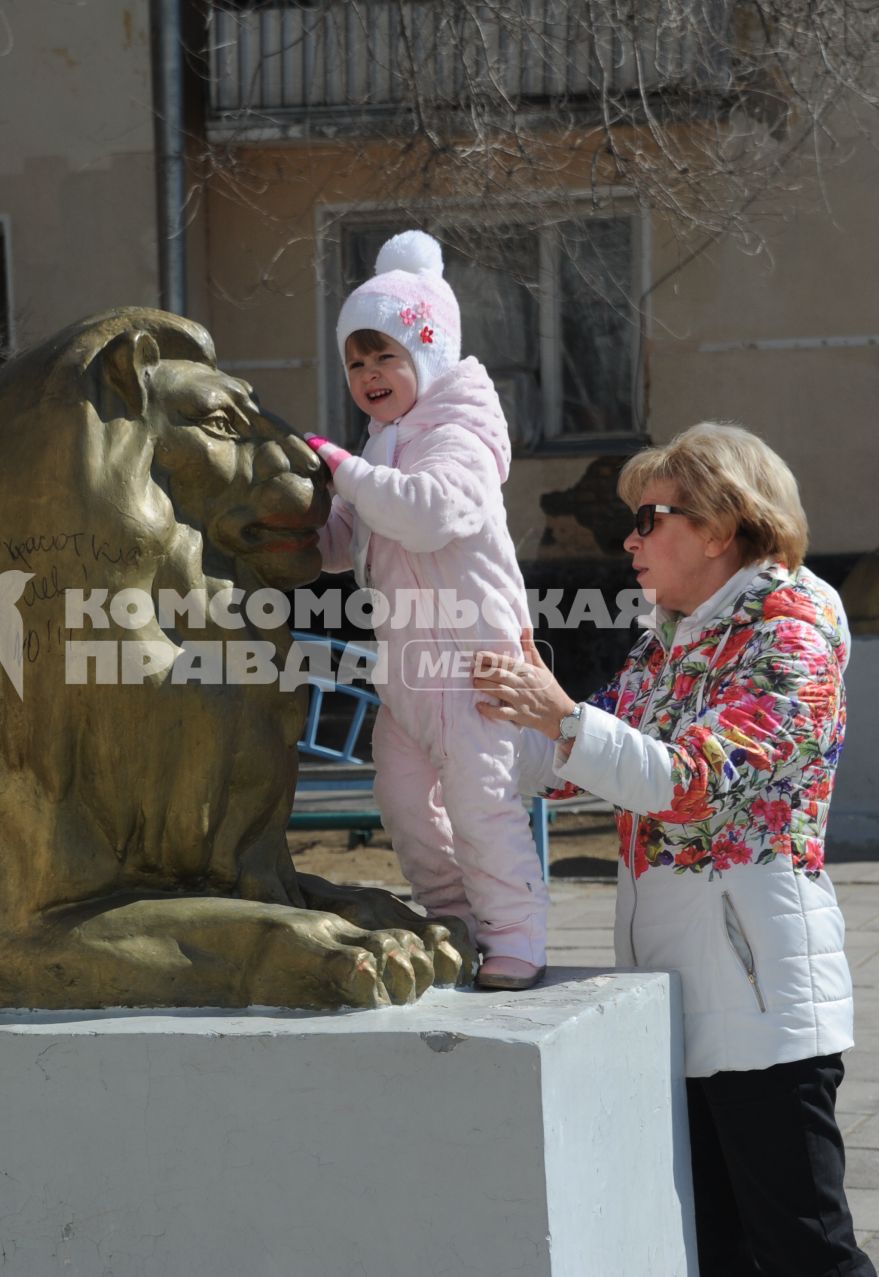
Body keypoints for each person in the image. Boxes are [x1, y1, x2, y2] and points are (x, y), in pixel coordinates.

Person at [472, 422, 875, 1276]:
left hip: (765, 1009)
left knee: (806, 1256)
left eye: (650, 517)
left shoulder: (791, 635)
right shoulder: (673, 639)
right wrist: (471, 720)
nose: (629, 539)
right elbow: (579, 761)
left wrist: (564, 719)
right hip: (679, 998)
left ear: (723, 524)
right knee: (717, 1254)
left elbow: (691, 780)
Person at [301, 230, 547, 992]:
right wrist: (304, 522)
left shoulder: (461, 437)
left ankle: (517, 934)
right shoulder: (379, 445)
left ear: (429, 359)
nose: (370, 374)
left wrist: (343, 471)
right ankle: (455, 917)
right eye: (356, 361)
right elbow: (351, 540)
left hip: (477, 670)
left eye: (387, 356)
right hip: (409, 672)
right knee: (403, 802)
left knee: (481, 806)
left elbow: (429, 515)